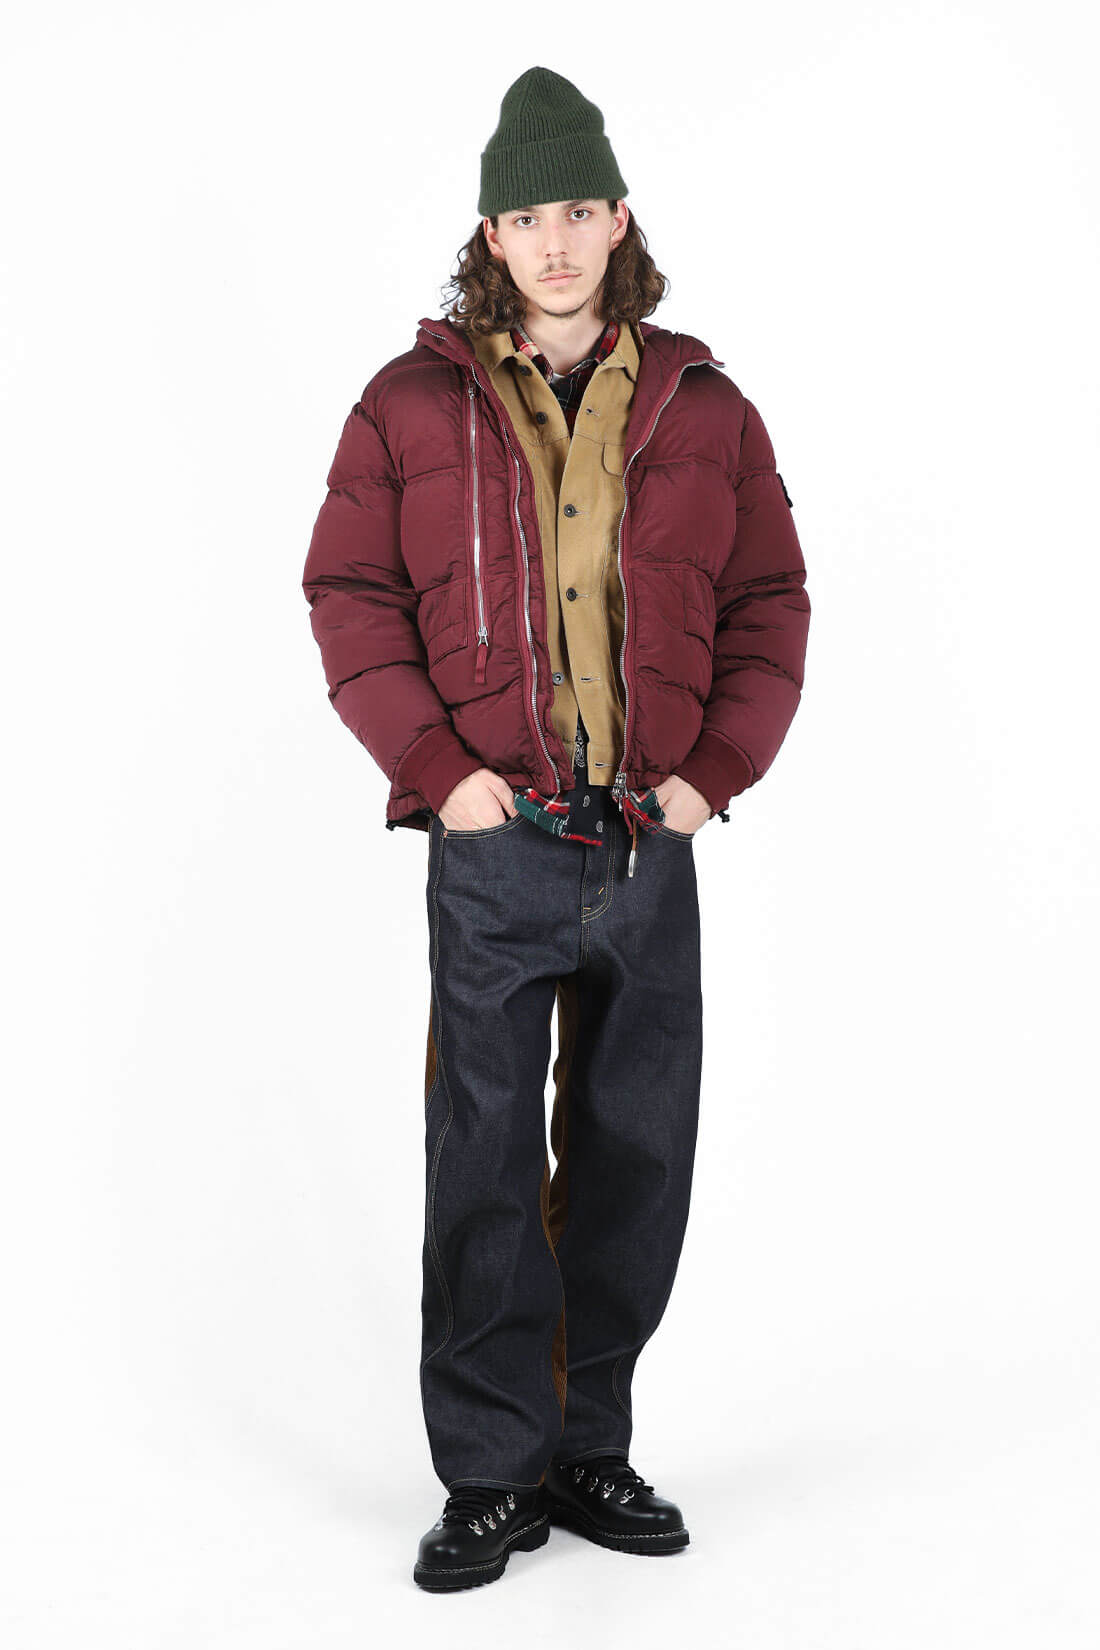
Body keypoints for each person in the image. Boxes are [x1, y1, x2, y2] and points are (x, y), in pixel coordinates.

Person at [302, 64, 810, 1592]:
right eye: (528, 215)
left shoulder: (707, 409)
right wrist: (438, 771)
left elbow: (769, 601)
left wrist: (712, 772)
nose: (558, 240)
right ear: (492, 232)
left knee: (638, 1149)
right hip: (496, 839)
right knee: (481, 1153)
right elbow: (352, 594)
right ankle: (491, 1469)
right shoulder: (410, 405)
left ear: (620, 219)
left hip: (649, 840)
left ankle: (588, 1443)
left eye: (580, 209)